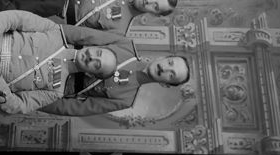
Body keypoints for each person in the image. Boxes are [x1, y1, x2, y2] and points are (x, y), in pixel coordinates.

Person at [40, 49, 190, 116]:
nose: (164, 69)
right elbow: (79, 36)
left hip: (48, 89)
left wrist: (38, 103)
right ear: (162, 58)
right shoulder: (126, 48)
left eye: (171, 75)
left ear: (165, 85)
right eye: (170, 63)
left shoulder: (126, 100)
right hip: (52, 56)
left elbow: (75, 108)